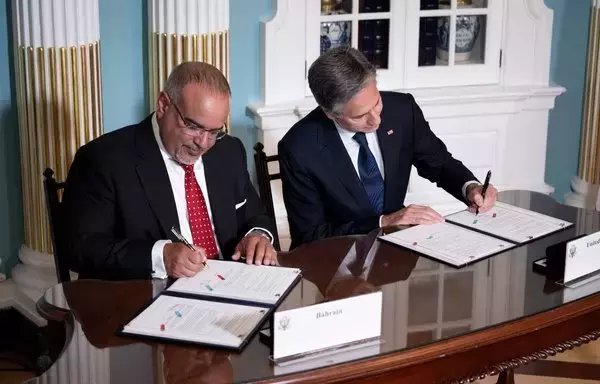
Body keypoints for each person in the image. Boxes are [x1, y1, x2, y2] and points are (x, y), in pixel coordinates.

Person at [62, 62, 277, 280]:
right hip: (149, 297)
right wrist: (161, 257)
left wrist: (257, 236)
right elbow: (80, 248)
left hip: (230, 284)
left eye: (214, 131)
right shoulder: (105, 159)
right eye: (193, 127)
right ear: (164, 104)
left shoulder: (228, 150)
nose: (203, 143)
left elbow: (255, 214)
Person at [278, 46, 497, 249]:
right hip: (339, 261)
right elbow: (309, 237)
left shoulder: (402, 110)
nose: (376, 120)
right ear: (330, 113)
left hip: (401, 251)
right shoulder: (299, 148)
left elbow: (438, 163)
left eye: (377, 103)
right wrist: (383, 222)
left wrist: (470, 188)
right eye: (361, 115)